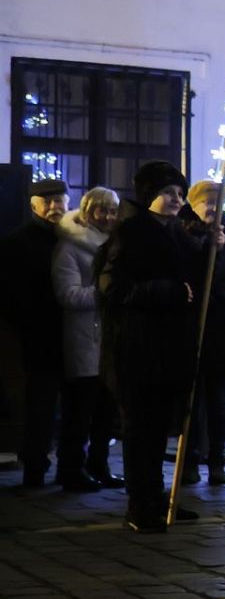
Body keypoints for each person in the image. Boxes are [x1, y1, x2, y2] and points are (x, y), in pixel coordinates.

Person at [96, 161, 203, 533]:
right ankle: (138, 504)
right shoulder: (131, 233)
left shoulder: (173, 231)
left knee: (158, 429)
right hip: (137, 347)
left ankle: (158, 498)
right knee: (140, 429)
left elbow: (195, 274)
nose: (176, 199)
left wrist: (211, 246)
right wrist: (167, 292)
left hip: (167, 348)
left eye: (180, 193)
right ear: (149, 195)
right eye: (168, 192)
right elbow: (112, 286)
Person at [50, 186, 123, 491]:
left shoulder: (116, 245)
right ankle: (70, 469)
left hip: (110, 339)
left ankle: (98, 464)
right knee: (79, 411)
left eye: (113, 211)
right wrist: (105, 293)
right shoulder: (69, 247)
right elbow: (67, 294)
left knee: (106, 411)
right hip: (84, 338)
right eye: (101, 210)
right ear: (88, 211)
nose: (107, 217)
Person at [181, 181, 225, 487]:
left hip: (224, 329)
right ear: (194, 205)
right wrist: (208, 250)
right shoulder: (183, 235)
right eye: (207, 203)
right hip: (192, 329)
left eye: (217, 202)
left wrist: (219, 295)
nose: (213, 208)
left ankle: (217, 460)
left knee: (219, 400)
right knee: (191, 402)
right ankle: (189, 461)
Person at [1, 176, 70, 487]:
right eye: (48, 201)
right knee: (40, 405)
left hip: (71, 334)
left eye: (59, 200)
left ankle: (69, 465)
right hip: (39, 336)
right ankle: (35, 467)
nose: (55, 206)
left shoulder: (72, 237)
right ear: (34, 206)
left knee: (72, 405)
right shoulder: (17, 243)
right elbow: (12, 296)